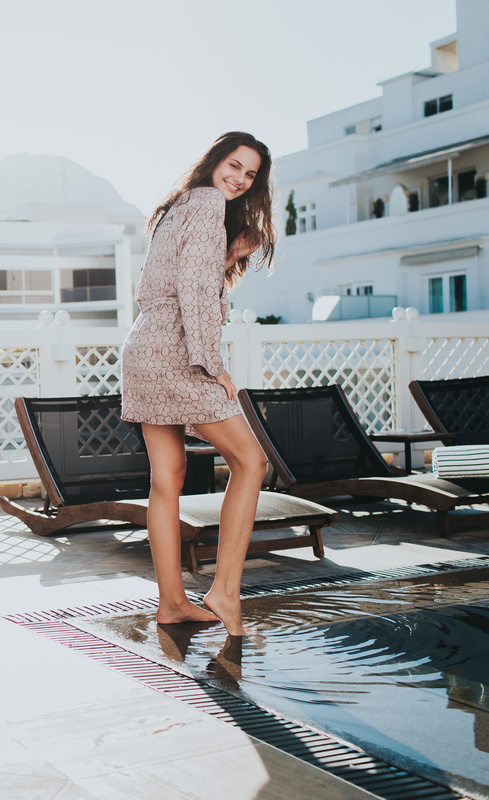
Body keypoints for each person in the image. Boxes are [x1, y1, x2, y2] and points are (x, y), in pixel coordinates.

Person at [121, 131, 276, 636]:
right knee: (251, 462)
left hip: (144, 345)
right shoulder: (209, 203)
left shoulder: (179, 205)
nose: (240, 179)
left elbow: (174, 278)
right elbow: (193, 291)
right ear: (214, 161)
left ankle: (172, 603)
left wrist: (227, 257)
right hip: (176, 350)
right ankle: (224, 592)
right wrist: (212, 363)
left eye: (250, 174)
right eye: (234, 165)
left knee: (167, 479)